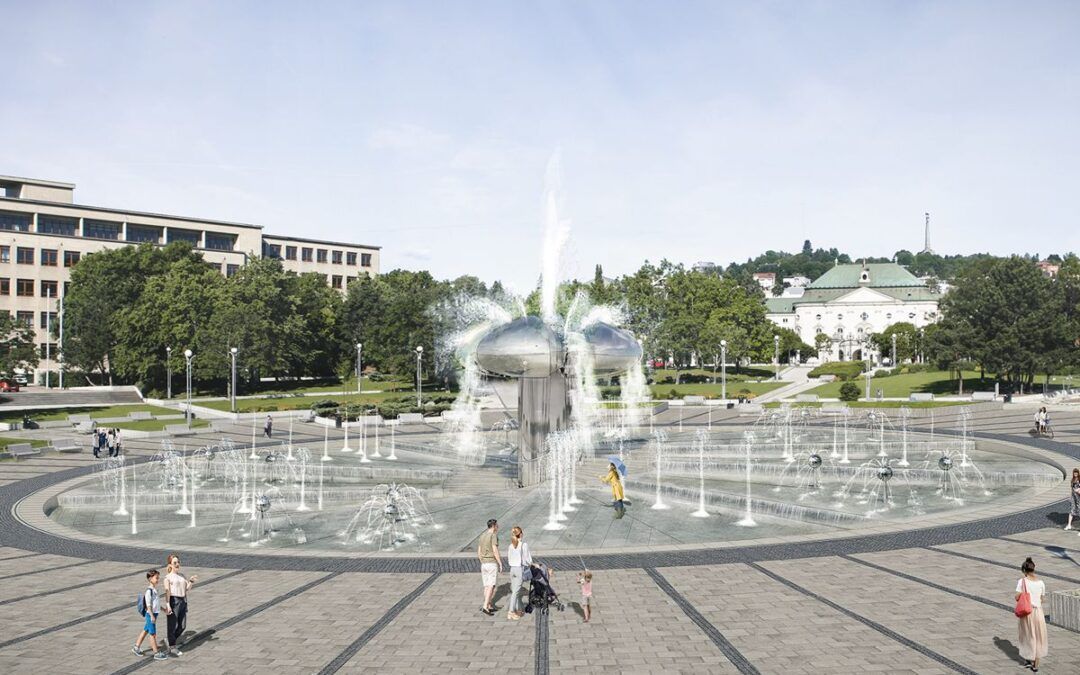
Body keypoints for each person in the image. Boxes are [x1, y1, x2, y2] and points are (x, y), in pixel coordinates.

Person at [1016, 557, 1047, 671]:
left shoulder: (1022, 581)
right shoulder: (1041, 583)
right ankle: (1036, 664)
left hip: (1027, 612)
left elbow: (1017, 597)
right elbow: (1042, 599)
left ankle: (1029, 658)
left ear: (1024, 570)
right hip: (1038, 612)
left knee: (1029, 635)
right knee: (1038, 636)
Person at [164, 553, 198, 656]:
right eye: (174, 563)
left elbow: (186, 589)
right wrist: (168, 605)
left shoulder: (182, 576)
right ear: (170, 565)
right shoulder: (168, 578)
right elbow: (167, 592)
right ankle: (172, 646)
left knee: (182, 625)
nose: (177, 564)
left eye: (178, 562)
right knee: (172, 625)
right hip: (174, 601)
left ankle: (170, 640)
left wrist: (191, 581)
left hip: (183, 601)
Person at [132, 569, 168, 661]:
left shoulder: (155, 590)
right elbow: (149, 605)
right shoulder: (149, 591)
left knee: (146, 630)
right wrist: (151, 615)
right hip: (150, 615)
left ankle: (136, 647)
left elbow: (157, 604)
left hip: (154, 614)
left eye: (158, 578)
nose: (158, 579)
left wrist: (163, 609)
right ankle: (156, 653)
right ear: (150, 578)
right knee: (152, 634)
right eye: (156, 578)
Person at [506, 526, 531, 620]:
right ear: (520, 534)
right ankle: (511, 612)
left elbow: (509, 559)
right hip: (519, 569)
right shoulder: (523, 545)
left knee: (515, 591)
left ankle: (519, 609)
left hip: (512, 569)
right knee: (515, 592)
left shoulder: (510, 545)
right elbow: (527, 559)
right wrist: (533, 564)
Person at [477, 518, 501, 616]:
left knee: (487, 586)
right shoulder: (493, 536)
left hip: (484, 564)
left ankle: (489, 605)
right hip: (491, 563)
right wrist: (500, 562)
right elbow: (495, 550)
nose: (498, 527)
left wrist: (482, 560)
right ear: (494, 526)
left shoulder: (482, 536)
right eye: (497, 525)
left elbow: (478, 551)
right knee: (491, 586)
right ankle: (485, 606)